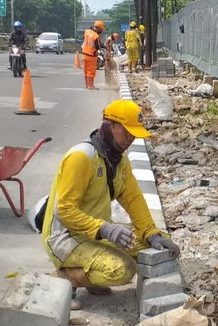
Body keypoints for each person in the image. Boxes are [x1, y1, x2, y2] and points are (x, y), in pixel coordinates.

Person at [42, 99, 180, 310]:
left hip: (94, 233)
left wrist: (151, 233)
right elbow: (65, 210)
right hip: (65, 238)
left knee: (161, 241)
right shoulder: (81, 157)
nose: (130, 139)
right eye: (126, 132)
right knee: (123, 270)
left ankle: (91, 276)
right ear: (110, 125)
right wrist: (104, 229)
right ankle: (66, 277)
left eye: (134, 134)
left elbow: (133, 199)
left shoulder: (119, 161)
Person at [81, 20, 105, 89]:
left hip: (84, 54)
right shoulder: (95, 36)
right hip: (91, 55)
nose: (101, 31)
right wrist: (101, 49)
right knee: (91, 71)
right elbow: (97, 46)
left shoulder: (87, 31)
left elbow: (84, 39)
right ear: (97, 28)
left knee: (86, 71)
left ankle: (87, 85)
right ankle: (91, 86)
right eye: (101, 29)